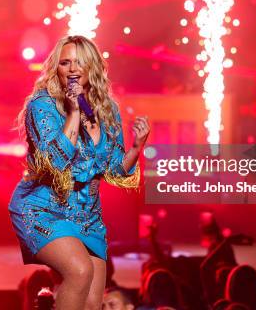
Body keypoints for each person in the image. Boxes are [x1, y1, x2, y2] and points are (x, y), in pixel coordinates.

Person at [8, 35, 150, 310]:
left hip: (87, 216)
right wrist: (73, 112)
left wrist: (136, 147)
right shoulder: (42, 105)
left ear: (92, 67)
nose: (72, 68)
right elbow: (56, 161)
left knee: (93, 301)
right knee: (80, 271)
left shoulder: (108, 109)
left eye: (79, 62)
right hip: (43, 207)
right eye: (65, 62)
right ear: (56, 68)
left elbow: (115, 169)